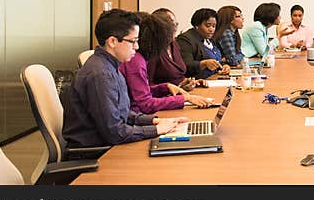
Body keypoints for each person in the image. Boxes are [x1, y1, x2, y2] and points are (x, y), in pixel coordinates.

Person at [62, 9, 185, 147]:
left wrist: (155, 121)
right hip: (96, 152)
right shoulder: (101, 75)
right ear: (113, 41)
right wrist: (156, 130)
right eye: (132, 41)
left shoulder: (111, 66)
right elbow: (115, 132)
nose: (137, 46)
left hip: (108, 143)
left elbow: (123, 113)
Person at [119, 12, 212, 113]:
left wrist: (165, 87)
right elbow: (145, 104)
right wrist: (185, 98)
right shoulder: (136, 61)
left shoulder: (139, 58)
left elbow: (141, 91)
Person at [149, 8, 204, 90]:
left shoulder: (174, 44)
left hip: (181, 94)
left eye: (176, 24)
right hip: (164, 98)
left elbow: (178, 77)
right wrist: (170, 90)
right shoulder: (153, 49)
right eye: (171, 25)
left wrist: (189, 82)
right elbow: (147, 85)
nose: (174, 28)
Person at [177, 8, 230, 79]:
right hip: (197, 82)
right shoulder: (185, 39)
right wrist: (203, 63)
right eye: (208, 25)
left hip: (215, 78)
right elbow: (186, 65)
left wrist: (224, 66)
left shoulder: (209, 39)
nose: (211, 29)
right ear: (197, 25)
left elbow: (217, 60)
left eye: (214, 26)